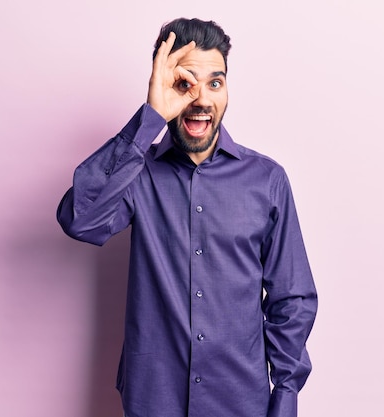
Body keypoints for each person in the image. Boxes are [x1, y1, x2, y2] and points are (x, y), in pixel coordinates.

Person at [57, 17, 318, 417]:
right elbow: (80, 219)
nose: (201, 99)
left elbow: (292, 299)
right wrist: (149, 119)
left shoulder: (267, 181)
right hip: (153, 400)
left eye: (215, 82)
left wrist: (284, 398)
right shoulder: (136, 174)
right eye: (184, 83)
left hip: (241, 403)